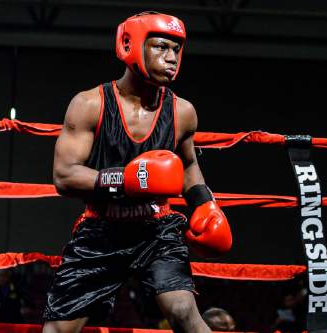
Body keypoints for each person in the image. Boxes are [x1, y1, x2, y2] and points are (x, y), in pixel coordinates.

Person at [42, 11, 232, 333]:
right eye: (160, 47)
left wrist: (204, 203)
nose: (171, 57)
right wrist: (126, 181)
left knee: (185, 313)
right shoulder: (90, 104)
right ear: (131, 45)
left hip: (156, 228)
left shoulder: (182, 112)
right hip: (102, 229)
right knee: (58, 330)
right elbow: (64, 175)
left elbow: (188, 166)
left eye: (176, 50)